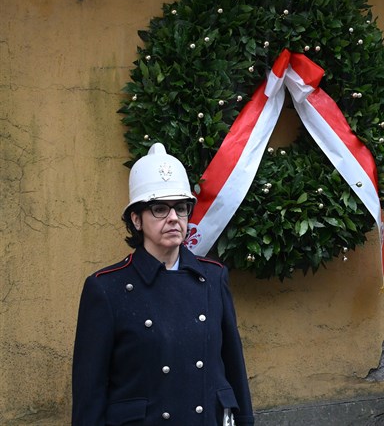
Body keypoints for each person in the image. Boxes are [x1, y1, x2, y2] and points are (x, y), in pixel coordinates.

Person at [72, 143, 254, 426]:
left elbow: (233, 365)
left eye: (180, 209)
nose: (173, 218)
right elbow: (90, 390)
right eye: (159, 209)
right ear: (136, 219)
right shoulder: (107, 288)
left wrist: (245, 420)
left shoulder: (213, 278)